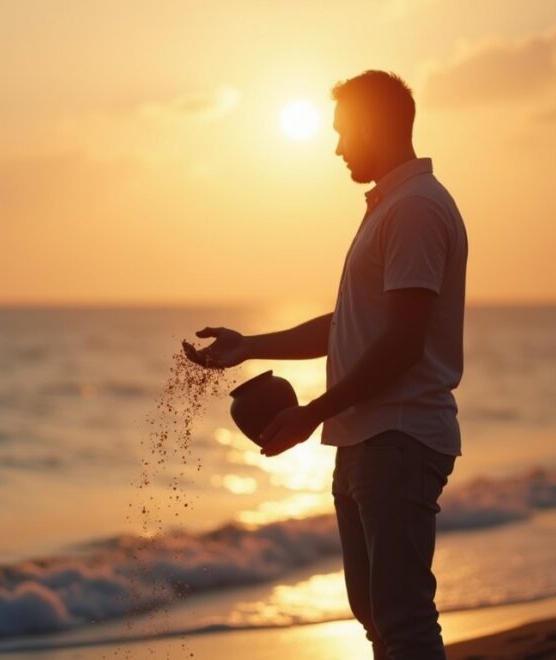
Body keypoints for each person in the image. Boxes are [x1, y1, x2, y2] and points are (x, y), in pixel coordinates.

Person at [184, 69, 467, 660]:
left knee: (403, 620)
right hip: (367, 439)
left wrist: (312, 412)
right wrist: (250, 346)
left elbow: (403, 343)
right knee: (376, 616)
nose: (337, 148)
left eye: (342, 132)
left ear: (371, 123)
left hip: (399, 437)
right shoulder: (390, 206)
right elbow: (348, 326)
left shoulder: (415, 209)